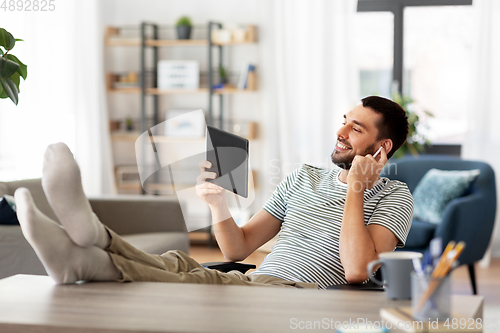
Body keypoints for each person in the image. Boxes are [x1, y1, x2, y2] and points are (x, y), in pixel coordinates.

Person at [15, 95, 413, 290]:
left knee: (191, 282)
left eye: (356, 128)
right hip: (257, 280)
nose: (341, 132)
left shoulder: (395, 196)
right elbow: (237, 250)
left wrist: (357, 190)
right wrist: (218, 204)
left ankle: (85, 252)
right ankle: (89, 243)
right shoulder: (302, 177)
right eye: (344, 121)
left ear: (382, 148)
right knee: (177, 264)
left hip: (291, 294)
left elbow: (358, 270)